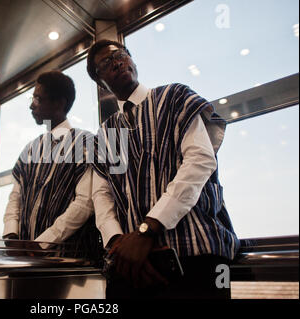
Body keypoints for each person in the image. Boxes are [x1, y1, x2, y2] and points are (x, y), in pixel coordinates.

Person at [86, 39, 240, 298]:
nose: (117, 62)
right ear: (100, 82)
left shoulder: (174, 97)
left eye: (121, 54)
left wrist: (147, 230)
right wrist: (117, 243)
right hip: (131, 266)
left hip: (196, 255)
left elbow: (200, 161)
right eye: (106, 62)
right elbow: (102, 194)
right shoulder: (106, 132)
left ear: (132, 59)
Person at [2, 71, 100, 259]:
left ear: (59, 103)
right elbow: (15, 196)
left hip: (68, 262)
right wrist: (11, 236)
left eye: (38, 99)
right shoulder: (30, 148)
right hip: (24, 260)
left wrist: (43, 242)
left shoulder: (85, 142)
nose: (32, 105)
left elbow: (85, 202)